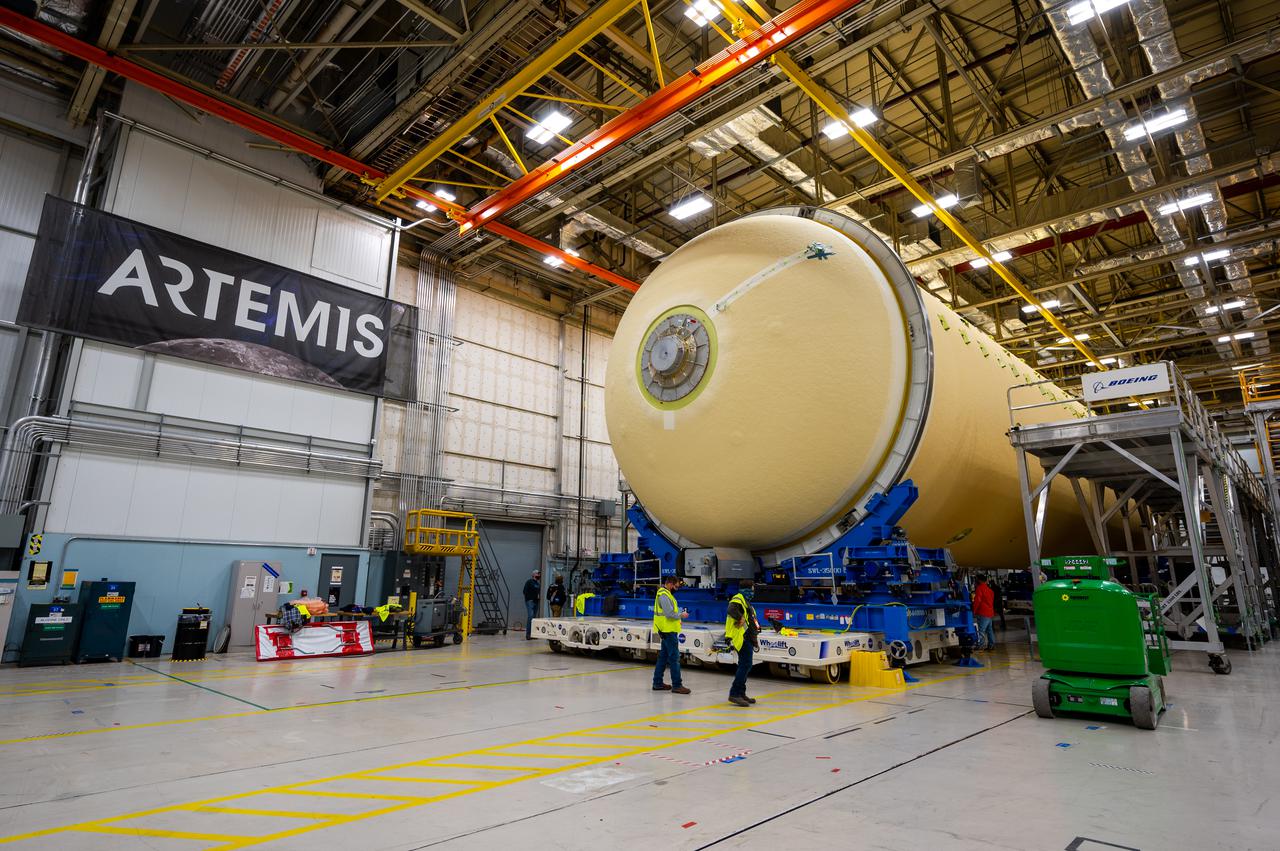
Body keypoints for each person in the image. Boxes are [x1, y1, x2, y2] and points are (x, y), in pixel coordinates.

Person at [652, 575, 690, 695]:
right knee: (674, 658)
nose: (676, 589)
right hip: (667, 631)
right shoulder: (663, 595)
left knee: (663, 657)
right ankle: (677, 685)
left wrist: (678, 613)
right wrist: (681, 615)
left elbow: (670, 611)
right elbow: (669, 614)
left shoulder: (666, 594)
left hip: (667, 630)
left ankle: (657, 683)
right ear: (669, 584)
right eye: (675, 586)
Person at [725, 579, 760, 706]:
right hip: (741, 638)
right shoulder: (738, 599)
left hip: (748, 639)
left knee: (745, 665)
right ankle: (734, 694)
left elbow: (751, 622)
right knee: (745, 665)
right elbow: (731, 609)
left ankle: (741, 693)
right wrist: (739, 618)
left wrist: (754, 639)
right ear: (746, 590)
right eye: (751, 589)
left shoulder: (746, 603)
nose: (752, 592)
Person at [972, 574, 996, 650]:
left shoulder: (980, 588)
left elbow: (977, 601)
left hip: (983, 613)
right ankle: (991, 645)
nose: (975, 581)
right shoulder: (990, 590)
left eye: (976, 579)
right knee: (989, 630)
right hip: (990, 613)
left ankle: (980, 646)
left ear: (979, 580)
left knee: (981, 630)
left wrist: (974, 610)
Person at [522, 570, 541, 640]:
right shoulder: (529, 582)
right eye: (538, 574)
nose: (539, 575)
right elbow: (524, 591)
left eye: (539, 574)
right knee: (530, 616)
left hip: (536, 602)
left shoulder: (538, 584)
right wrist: (529, 599)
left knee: (534, 618)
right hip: (530, 601)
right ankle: (528, 634)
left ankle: (533, 634)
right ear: (533, 574)